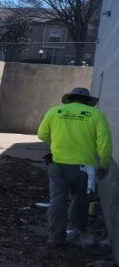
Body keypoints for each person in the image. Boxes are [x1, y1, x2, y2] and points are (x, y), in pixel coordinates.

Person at [36, 86, 112, 247]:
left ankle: (56, 238)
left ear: (70, 99)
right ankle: (78, 232)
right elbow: (104, 142)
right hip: (84, 168)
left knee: (58, 201)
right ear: (88, 102)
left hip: (58, 164)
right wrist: (104, 164)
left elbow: (42, 135)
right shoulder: (96, 115)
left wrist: (59, 143)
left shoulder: (55, 111)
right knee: (80, 201)